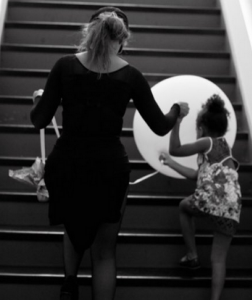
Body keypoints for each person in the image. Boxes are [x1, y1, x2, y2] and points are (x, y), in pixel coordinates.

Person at [30, 6, 188, 300]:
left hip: (68, 165)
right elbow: (160, 126)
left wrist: (37, 100)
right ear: (122, 39)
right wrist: (177, 110)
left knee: (73, 224)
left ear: (89, 33)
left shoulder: (64, 66)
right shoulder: (131, 76)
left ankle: (69, 283)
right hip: (108, 169)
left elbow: (39, 119)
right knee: (104, 252)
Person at [159, 94, 242, 300]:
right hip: (232, 206)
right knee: (218, 259)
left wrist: (176, 122)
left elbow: (175, 149)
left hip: (212, 198)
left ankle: (192, 255)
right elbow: (197, 176)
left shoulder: (207, 142)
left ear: (202, 128)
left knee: (184, 206)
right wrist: (170, 163)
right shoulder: (225, 148)